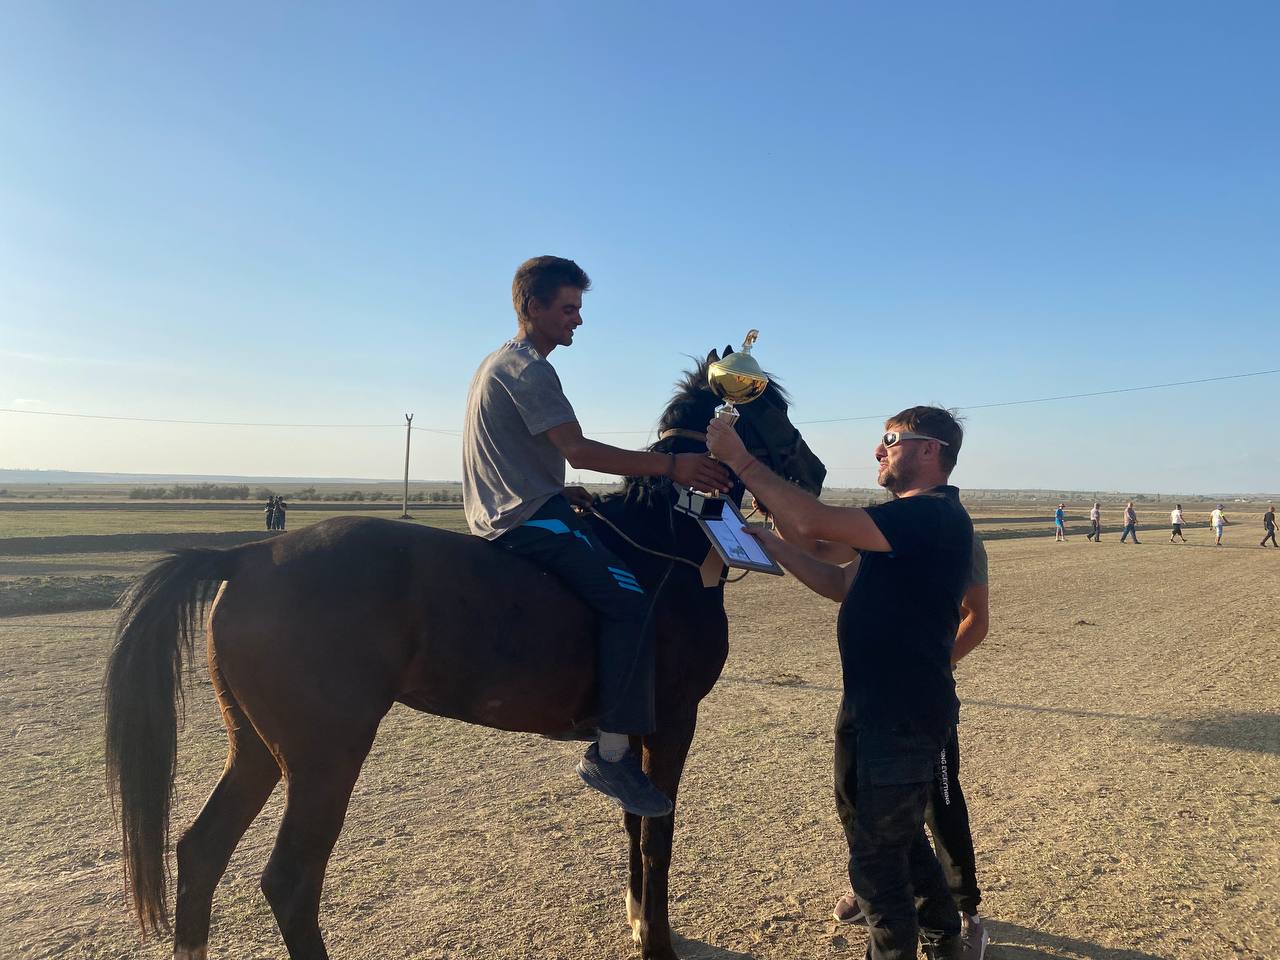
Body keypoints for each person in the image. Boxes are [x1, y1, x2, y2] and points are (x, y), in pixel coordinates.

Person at [462, 256, 731, 818]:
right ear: (532, 306)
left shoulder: (499, 362)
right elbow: (580, 450)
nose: (577, 320)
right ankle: (609, 752)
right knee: (630, 600)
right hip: (524, 518)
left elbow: (519, 454)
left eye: (578, 309)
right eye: (568, 308)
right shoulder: (529, 369)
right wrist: (674, 466)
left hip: (525, 503)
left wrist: (558, 489)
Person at [708, 405, 972, 960]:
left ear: (931, 450)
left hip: (901, 715)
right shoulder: (901, 526)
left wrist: (743, 462)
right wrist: (774, 546)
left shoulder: (932, 516)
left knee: (876, 861)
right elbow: (837, 580)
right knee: (886, 832)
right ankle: (945, 938)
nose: (878, 450)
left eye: (890, 439)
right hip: (871, 707)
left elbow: (816, 523)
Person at [832, 533, 991, 960]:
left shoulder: (955, 536)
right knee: (869, 804)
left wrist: (926, 670)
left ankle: (968, 916)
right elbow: (830, 565)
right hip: (872, 701)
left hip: (924, 702)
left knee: (940, 807)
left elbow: (976, 619)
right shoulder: (879, 529)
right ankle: (880, 890)